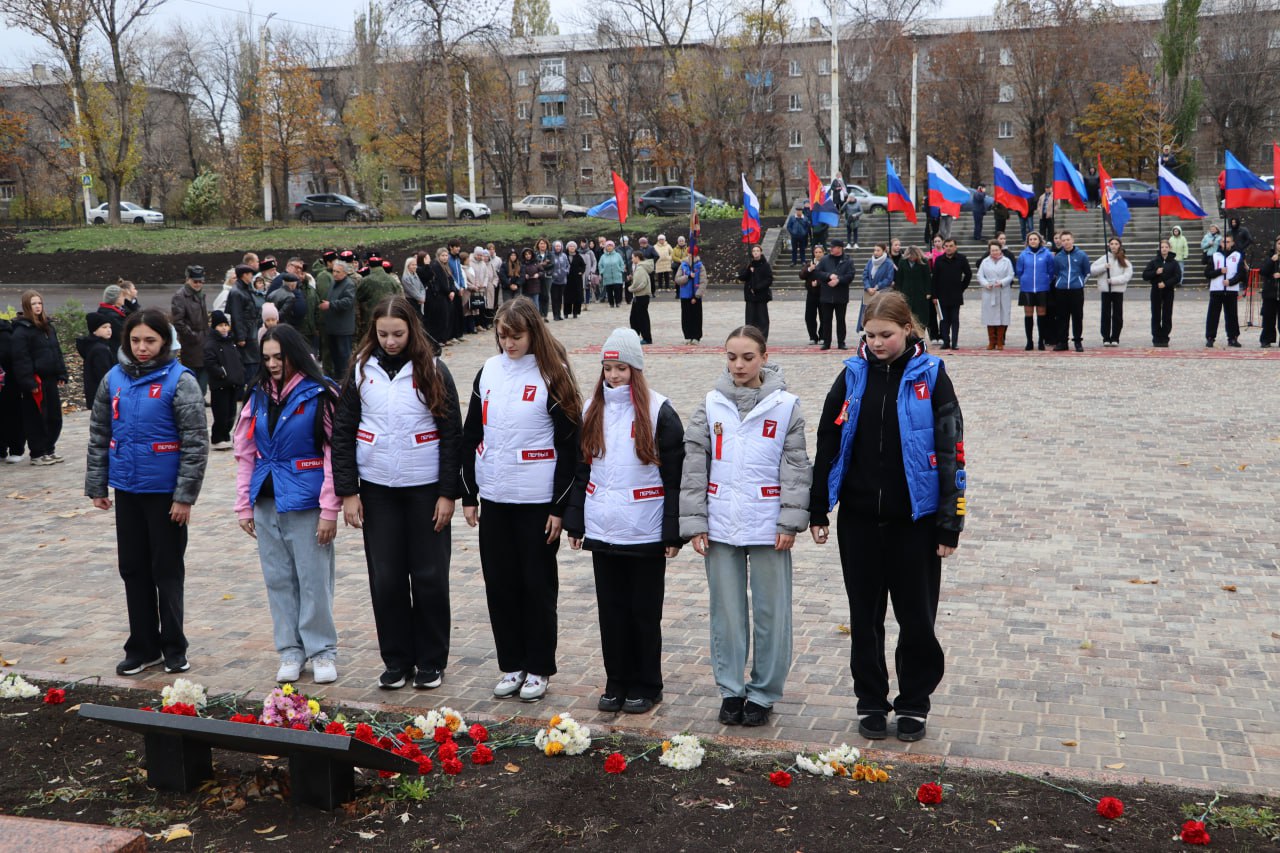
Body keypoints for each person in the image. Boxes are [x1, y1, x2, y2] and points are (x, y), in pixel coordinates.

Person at [808, 291, 966, 743]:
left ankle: (914, 702)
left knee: (916, 618)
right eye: (870, 335)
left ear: (907, 330)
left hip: (915, 522)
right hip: (859, 520)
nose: (876, 343)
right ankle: (871, 700)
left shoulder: (932, 375)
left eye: (886, 335)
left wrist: (950, 521)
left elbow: (952, 449)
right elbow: (828, 440)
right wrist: (818, 506)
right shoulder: (852, 374)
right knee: (865, 617)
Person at [679, 325, 811, 727]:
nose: (739, 365)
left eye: (748, 357)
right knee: (727, 612)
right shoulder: (710, 403)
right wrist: (695, 521)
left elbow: (796, 469)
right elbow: (694, 466)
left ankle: (764, 692)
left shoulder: (786, 406)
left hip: (769, 525)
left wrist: (790, 521)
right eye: (732, 357)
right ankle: (731, 690)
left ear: (765, 358)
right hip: (720, 523)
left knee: (772, 612)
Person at [331, 297, 463, 690]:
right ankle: (397, 659)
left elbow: (451, 434)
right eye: (383, 334)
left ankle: (431, 660)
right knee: (386, 578)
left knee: (429, 577)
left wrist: (448, 493)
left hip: (425, 490)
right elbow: (343, 433)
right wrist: (348, 491)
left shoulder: (434, 369)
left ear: (412, 330)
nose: (390, 342)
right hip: (378, 491)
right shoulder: (360, 370)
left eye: (398, 334)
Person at [461, 298, 582, 703]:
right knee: (500, 584)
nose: (508, 343)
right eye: (502, 336)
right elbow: (472, 433)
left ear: (533, 333)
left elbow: (569, 446)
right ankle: (511, 664)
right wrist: (469, 493)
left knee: (536, 586)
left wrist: (558, 508)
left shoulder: (552, 374)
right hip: (496, 498)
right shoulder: (488, 371)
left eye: (516, 336)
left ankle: (539, 666)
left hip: (536, 501)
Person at [565, 329, 684, 714]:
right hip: (604, 528)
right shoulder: (590, 410)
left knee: (643, 613)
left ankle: (647, 684)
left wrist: (673, 532)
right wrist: (575, 521)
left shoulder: (659, 411)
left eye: (621, 368)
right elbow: (582, 470)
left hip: (645, 528)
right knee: (612, 612)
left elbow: (674, 478)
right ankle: (616, 680)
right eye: (608, 368)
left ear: (636, 369)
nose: (613, 375)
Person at [85, 307, 209, 676]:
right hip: (127, 489)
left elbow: (195, 443)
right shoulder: (113, 379)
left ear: (165, 342)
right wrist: (98, 485)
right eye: (136, 340)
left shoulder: (180, 380)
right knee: (133, 568)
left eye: (150, 341)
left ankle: (173, 646)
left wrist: (184, 496)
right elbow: (99, 434)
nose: (142, 347)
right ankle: (143, 646)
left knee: (166, 570)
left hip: (165, 494)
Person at [233, 325, 341, 685]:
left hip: (307, 501)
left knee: (313, 580)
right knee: (278, 578)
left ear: (295, 353)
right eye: (266, 358)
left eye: (279, 357)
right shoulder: (257, 394)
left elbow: (334, 453)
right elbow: (245, 452)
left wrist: (329, 509)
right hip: (267, 500)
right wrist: (244, 504)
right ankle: (290, 650)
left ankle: (322, 649)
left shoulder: (321, 393)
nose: (272, 364)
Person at [10, 291, 67, 465]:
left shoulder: (48, 327)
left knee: (54, 417)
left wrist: (61, 373)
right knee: (37, 418)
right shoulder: (22, 331)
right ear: (27, 306)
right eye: (33, 304)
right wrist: (29, 381)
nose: (37, 306)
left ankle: (49, 449)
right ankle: (37, 453)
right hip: (36, 381)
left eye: (39, 303)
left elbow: (56, 351)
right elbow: (21, 359)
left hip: (50, 379)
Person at [204, 310, 243, 450]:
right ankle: (218, 437)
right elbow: (210, 363)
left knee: (231, 413)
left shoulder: (230, 342)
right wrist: (221, 373)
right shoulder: (211, 344)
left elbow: (237, 360)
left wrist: (240, 374)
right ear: (214, 327)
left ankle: (226, 436)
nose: (224, 328)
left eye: (226, 325)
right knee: (221, 413)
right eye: (220, 325)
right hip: (220, 384)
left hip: (232, 383)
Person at [171, 265, 209, 394]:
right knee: (193, 379)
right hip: (192, 344)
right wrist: (194, 337)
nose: (198, 284)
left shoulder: (200, 295)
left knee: (203, 378)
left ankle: (200, 398)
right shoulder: (180, 296)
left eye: (201, 281)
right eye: (195, 281)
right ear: (188, 280)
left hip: (203, 341)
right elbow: (178, 322)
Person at [1015, 232, 1055, 350]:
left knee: (1041, 315)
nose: (1033, 241)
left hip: (1042, 288)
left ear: (1039, 240)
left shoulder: (1047, 254)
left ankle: (1041, 341)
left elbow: (1051, 270)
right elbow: (1019, 271)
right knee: (1028, 315)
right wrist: (1024, 280)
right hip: (1027, 288)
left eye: (1035, 239)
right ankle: (1029, 341)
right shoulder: (1023, 254)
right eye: (1031, 239)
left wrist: (1046, 280)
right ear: (1028, 241)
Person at [1092, 237, 1134, 346]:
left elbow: (1127, 275)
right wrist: (1103, 267)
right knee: (1105, 314)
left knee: (1117, 315)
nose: (1114, 246)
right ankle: (1106, 337)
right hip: (1106, 291)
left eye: (1116, 244)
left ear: (1119, 245)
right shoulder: (1104, 258)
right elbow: (1092, 270)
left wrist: (1113, 280)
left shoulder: (1124, 260)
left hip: (1118, 291)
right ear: (1109, 245)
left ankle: (1115, 337)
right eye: (1112, 244)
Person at [931, 240, 972, 350]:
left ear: (955, 247)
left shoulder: (961, 259)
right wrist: (934, 295)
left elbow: (968, 274)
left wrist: (962, 287)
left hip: (955, 294)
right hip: (942, 294)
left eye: (951, 246)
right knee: (943, 320)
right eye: (946, 246)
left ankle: (954, 342)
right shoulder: (939, 260)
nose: (948, 248)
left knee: (955, 319)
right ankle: (946, 341)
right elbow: (934, 279)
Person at [1052, 231, 1090, 352]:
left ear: (1072, 240)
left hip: (1076, 290)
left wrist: (1080, 283)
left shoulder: (1082, 255)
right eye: (1063, 240)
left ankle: (1077, 341)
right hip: (1062, 290)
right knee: (1062, 316)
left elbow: (1086, 272)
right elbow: (1056, 272)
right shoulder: (1058, 257)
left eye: (1068, 240)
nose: (1066, 242)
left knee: (1077, 316)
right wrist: (1060, 283)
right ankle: (1062, 341)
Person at [227, 263, 263, 388]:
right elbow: (236, 315)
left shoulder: (245, 289)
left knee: (253, 361)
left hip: (250, 331)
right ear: (244, 275)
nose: (252, 276)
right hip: (246, 334)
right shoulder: (237, 292)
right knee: (249, 364)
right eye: (250, 274)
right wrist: (241, 337)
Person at [815, 239, 855, 350]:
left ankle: (841, 342)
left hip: (841, 295)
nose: (831, 249)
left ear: (839, 248)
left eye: (833, 247)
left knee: (841, 320)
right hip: (826, 295)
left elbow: (850, 275)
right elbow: (817, 272)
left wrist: (839, 280)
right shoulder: (825, 259)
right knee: (826, 320)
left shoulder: (848, 260)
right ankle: (826, 342)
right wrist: (828, 276)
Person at [1208, 234, 1245, 348]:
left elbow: (1241, 274)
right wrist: (1219, 271)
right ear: (1221, 243)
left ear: (1232, 243)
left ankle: (1232, 337)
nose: (1225, 244)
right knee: (1213, 315)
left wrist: (1231, 282)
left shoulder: (1237, 256)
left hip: (1231, 290)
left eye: (1228, 242)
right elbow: (1207, 273)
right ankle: (1210, 337)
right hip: (1216, 290)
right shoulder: (1215, 256)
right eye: (1224, 242)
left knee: (1232, 315)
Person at [321, 260, 357, 381]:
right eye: (334, 271)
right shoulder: (334, 282)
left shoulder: (349, 284)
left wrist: (330, 305)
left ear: (345, 273)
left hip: (343, 328)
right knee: (335, 356)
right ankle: (338, 378)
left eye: (338, 272)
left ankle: (347, 380)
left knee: (344, 356)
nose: (335, 274)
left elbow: (348, 302)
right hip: (333, 327)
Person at [1143, 239, 1182, 347]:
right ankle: (1156, 337)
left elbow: (1177, 277)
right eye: (1162, 247)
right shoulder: (1154, 261)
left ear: (1169, 248)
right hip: (1156, 291)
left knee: (1167, 314)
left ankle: (1164, 337)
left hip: (1168, 291)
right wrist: (1155, 272)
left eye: (1166, 247)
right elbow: (1145, 275)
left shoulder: (1174, 263)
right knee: (1156, 314)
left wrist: (1166, 284)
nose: (1164, 249)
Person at [978, 241, 1014, 350]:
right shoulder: (985, 262)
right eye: (992, 250)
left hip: (1003, 291)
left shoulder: (1006, 261)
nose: (994, 252)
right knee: (990, 316)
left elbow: (1010, 275)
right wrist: (986, 284)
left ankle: (1000, 341)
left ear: (1000, 250)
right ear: (989, 251)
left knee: (1002, 316)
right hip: (990, 291)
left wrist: (1002, 282)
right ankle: (991, 341)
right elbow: (980, 275)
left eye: (996, 250)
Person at [0, 316, 25, 463]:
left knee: (12, 417)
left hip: (9, 385)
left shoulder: (5, 334)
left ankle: (16, 449)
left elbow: (11, 357)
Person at [76, 313, 114, 410]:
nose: (109, 330)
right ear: (94, 330)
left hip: (94, 394)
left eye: (109, 327)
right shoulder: (100, 350)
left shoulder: (92, 345)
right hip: (102, 395)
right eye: (104, 327)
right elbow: (104, 375)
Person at [738, 244, 773, 341]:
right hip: (750, 296)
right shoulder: (749, 264)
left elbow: (769, 279)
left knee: (762, 318)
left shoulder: (765, 265)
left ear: (761, 252)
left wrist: (758, 287)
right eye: (754, 251)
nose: (756, 252)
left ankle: (763, 337)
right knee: (750, 318)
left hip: (761, 295)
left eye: (757, 251)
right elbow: (741, 277)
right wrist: (749, 270)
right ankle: (750, 336)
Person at [859, 243, 896, 333]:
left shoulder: (888, 263)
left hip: (883, 292)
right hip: (869, 292)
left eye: (878, 250)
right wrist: (868, 287)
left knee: (881, 312)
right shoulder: (870, 261)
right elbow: (865, 275)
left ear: (884, 251)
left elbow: (889, 278)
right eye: (874, 250)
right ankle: (869, 331)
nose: (875, 252)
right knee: (868, 312)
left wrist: (877, 287)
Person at [896, 246, 933, 333]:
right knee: (907, 314)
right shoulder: (902, 262)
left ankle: (920, 333)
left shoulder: (923, 262)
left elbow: (927, 278)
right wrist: (899, 292)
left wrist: (928, 292)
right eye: (910, 256)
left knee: (921, 316)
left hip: (920, 293)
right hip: (906, 292)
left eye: (913, 256)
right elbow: (899, 278)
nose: (911, 258)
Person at [676, 249, 707, 345]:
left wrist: (697, 295)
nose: (690, 255)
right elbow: (677, 279)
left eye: (692, 254)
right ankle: (687, 336)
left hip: (695, 295)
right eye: (689, 253)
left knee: (696, 317)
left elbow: (703, 281)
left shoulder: (700, 266)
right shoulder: (683, 265)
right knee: (686, 316)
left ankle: (696, 336)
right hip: (685, 295)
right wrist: (688, 277)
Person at [92, 284, 128, 358]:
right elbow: (122, 333)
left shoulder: (114, 311)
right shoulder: (111, 315)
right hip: (114, 351)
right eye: (122, 296)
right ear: (116, 299)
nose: (124, 298)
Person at [800, 245, 825, 345]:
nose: (818, 254)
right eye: (816, 252)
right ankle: (813, 337)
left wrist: (818, 283)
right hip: (811, 294)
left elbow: (828, 277)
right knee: (809, 316)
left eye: (820, 252)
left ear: (823, 253)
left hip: (823, 294)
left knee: (824, 316)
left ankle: (823, 336)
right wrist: (809, 269)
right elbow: (801, 275)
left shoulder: (826, 264)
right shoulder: (809, 263)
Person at [628, 248, 655, 344]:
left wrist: (631, 288)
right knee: (634, 317)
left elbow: (642, 283)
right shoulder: (640, 268)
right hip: (639, 296)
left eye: (632, 257)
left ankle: (646, 338)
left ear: (637, 258)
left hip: (641, 296)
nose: (632, 259)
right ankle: (636, 335)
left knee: (642, 318)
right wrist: (632, 278)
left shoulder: (640, 268)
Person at [1259, 236, 1280, 347]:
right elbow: (1263, 271)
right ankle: (1266, 339)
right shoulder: (1270, 256)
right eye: (1279, 243)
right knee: (1268, 318)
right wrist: (1272, 261)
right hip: (1270, 293)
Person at [520, 246, 547, 312]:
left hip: (535, 286)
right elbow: (518, 273)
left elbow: (542, 272)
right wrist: (524, 275)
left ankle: (536, 317)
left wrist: (538, 274)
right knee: (527, 305)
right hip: (526, 287)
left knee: (535, 304)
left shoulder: (536, 263)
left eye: (529, 254)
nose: (528, 256)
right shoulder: (521, 264)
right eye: (526, 254)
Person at [565, 241, 586, 320]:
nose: (572, 248)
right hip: (567, 279)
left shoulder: (578, 256)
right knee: (567, 296)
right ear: (567, 248)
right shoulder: (565, 256)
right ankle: (566, 312)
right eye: (570, 246)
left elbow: (583, 265)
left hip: (577, 279)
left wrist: (581, 271)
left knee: (577, 296)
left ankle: (575, 312)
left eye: (573, 246)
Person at [550, 240, 570, 321]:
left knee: (560, 298)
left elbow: (568, 265)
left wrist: (566, 271)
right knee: (554, 298)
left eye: (559, 246)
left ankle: (559, 314)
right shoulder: (551, 255)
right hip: (554, 281)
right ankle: (555, 315)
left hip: (563, 280)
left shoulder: (564, 255)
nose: (558, 247)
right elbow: (549, 266)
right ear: (554, 247)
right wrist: (553, 274)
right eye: (556, 246)